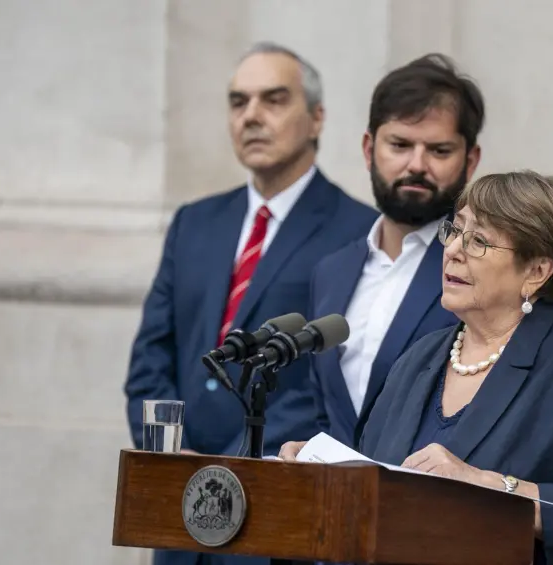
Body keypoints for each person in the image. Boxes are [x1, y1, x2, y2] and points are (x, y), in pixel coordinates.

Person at [284, 171, 553, 564]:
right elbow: (382, 485)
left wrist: (482, 485)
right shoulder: (417, 360)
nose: (453, 250)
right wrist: (326, 469)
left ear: (536, 272)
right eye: (455, 231)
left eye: (478, 241)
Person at [124, 42, 377, 565]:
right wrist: (175, 460)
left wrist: (238, 468)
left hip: (272, 510)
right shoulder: (194, 223)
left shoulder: (357, 232)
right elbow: (152, 361)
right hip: (179, 508)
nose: (252, 116)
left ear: (316, 118)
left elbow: (332, 380)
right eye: (238, 102)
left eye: (274, 100)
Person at [308, 54, 553, 449]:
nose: (417, 164)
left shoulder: (497, 271)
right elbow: (323, 411)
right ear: (368, 148)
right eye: (400, 144)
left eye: (439, 150)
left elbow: (539, 415)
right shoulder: (332, 271)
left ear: (471, 160)